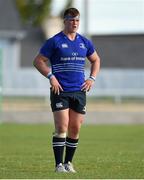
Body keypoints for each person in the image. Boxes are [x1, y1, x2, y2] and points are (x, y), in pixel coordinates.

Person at [33, 7, 100, 173]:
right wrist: (51, 77)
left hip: (79, 90)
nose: (75, 23)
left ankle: (69, 163)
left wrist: (92, 78)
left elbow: (96, 60)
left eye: (77, 20)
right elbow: (38, 61)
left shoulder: (84, 42)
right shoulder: (54, 41)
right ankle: (58, 166)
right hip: (60, 90)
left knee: (75, 128)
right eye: (71, 19)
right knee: (62, 126)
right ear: (65, 21)